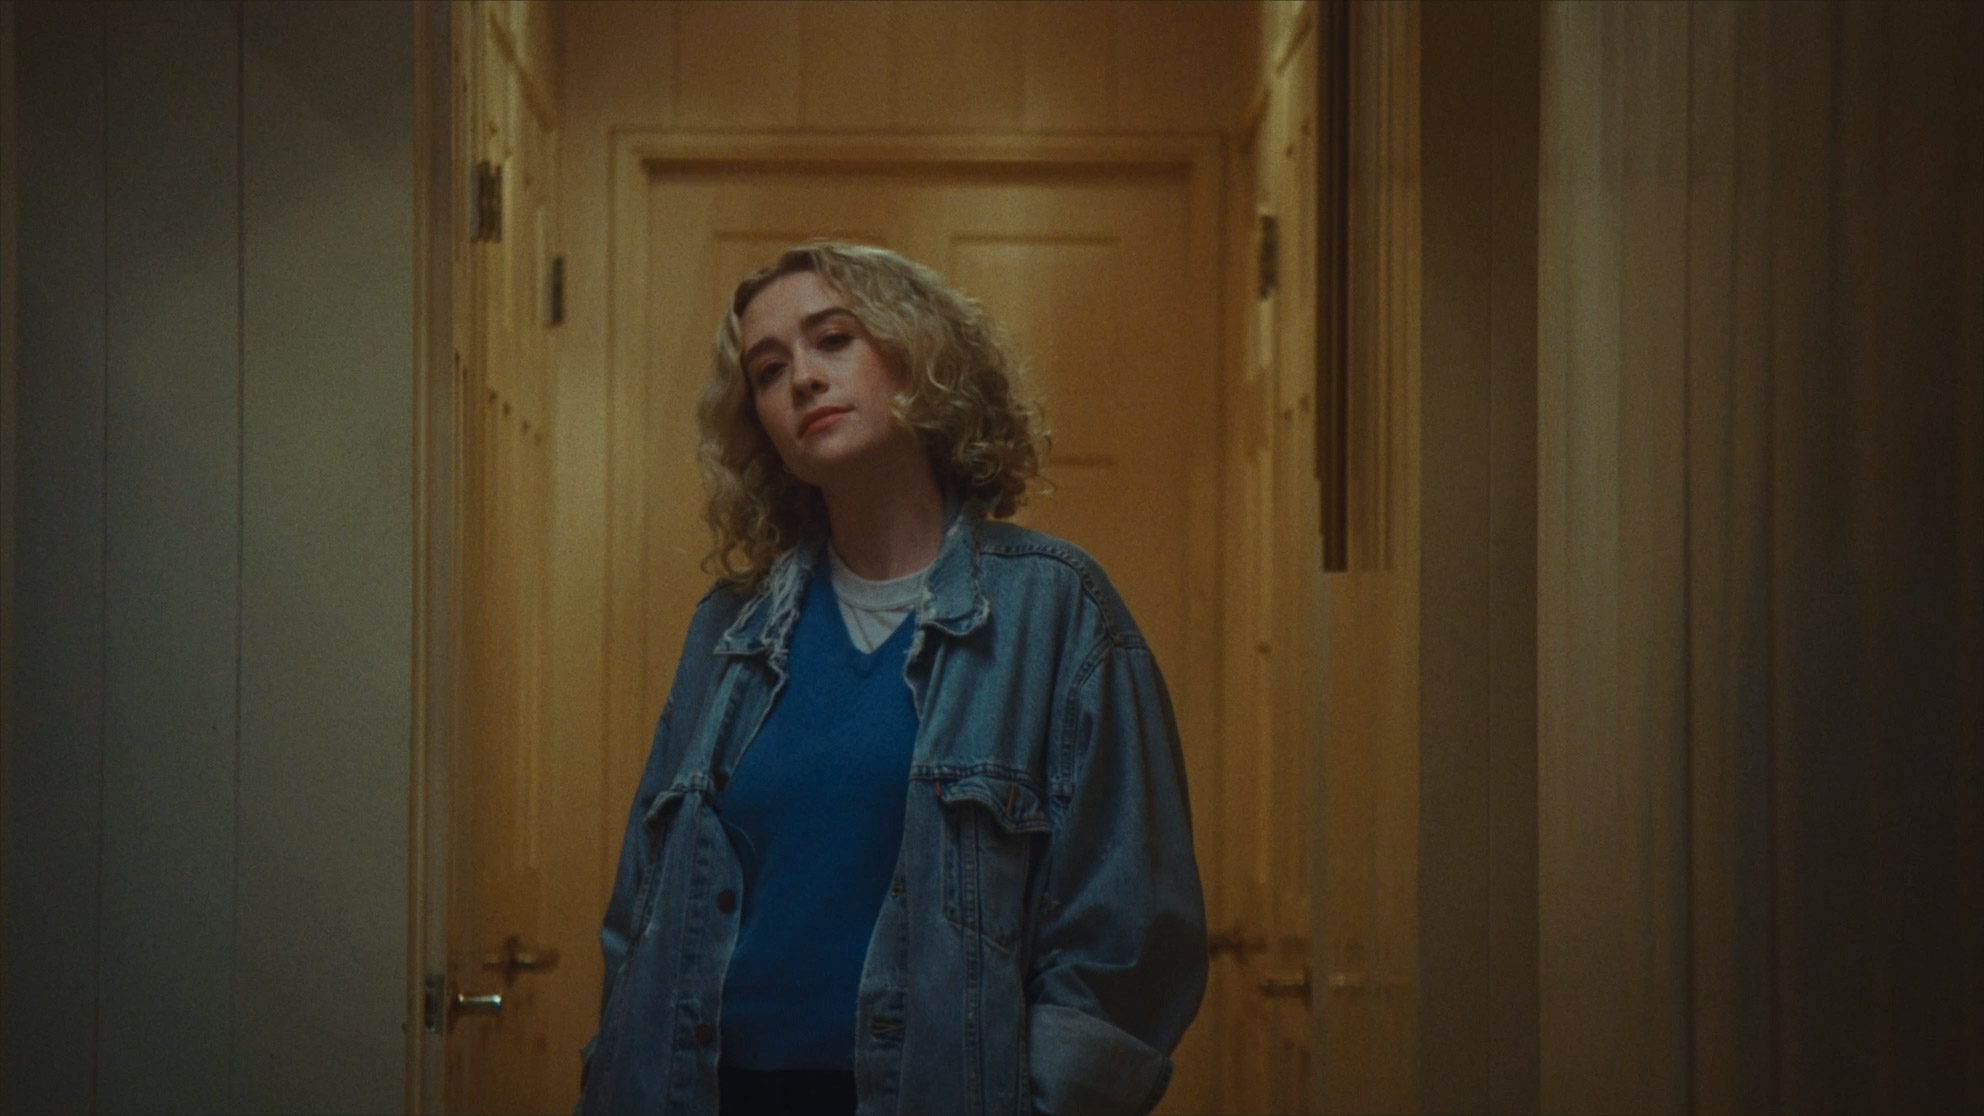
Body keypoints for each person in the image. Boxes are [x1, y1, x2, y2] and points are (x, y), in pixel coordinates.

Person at [576, 242, 1206, 1116]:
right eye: (769, 370)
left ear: (919, 358)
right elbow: (641, 912)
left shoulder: (1054, 607)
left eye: (834, 339)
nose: (803, 379)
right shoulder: (728, 629)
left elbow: (1130, 936)